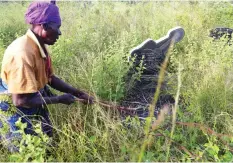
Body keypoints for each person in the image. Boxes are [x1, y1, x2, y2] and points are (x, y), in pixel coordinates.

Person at [0, 0, 94, 150]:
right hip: (17, 105)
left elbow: (50, 78)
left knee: (45, 138)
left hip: (33, 95)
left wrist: (77, 92)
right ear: (44, 26)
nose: (60, 33)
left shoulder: (39, 44)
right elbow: (20, 100)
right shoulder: (22, 54)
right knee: (25, 149)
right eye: (58, 28)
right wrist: (59, 99)